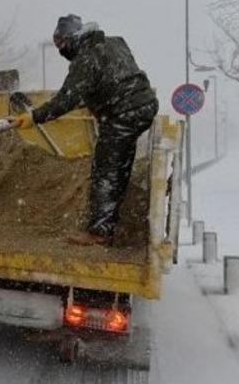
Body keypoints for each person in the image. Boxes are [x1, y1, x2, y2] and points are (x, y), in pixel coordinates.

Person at [12, 15, 158, 246]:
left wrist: (33, 117)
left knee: (105, 171)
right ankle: (112, 223)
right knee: (119, 166)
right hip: (144, 105)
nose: (61, 50)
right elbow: (113, 79)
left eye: (61, 44)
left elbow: (66, 99)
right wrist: (92, 98)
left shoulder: (85, 58)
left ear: (73, 38)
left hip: (123, 113)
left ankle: (100, 233)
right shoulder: (114, 42)